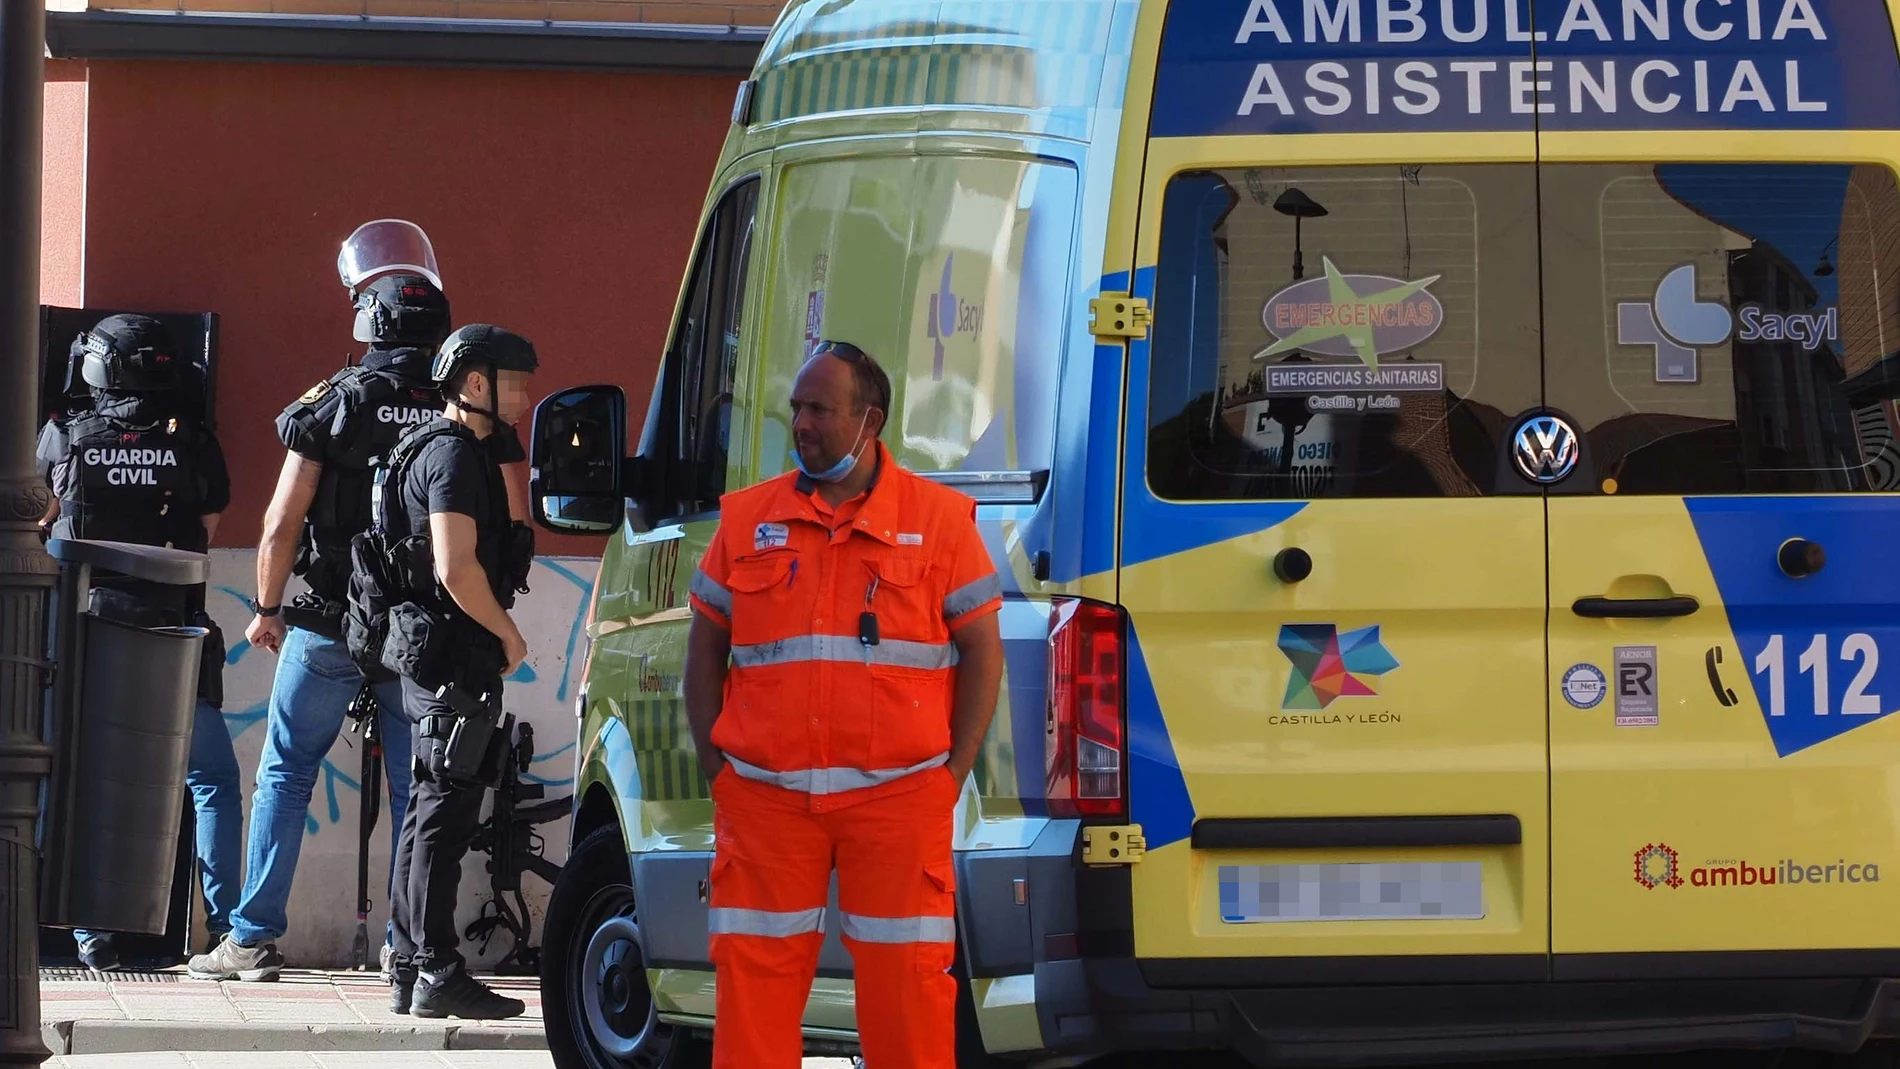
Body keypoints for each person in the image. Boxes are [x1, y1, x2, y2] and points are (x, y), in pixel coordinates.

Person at [191, 220, 527, 981]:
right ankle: (404, 945)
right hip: (426, 635)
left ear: (366, 320)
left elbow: (282, 521)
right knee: (420, 785)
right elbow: (515, 523)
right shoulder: (467, 411)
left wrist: (268, 606)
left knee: (286, 771)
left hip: (331, 620)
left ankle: (250, 939)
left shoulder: (337, 400)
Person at [683, 340, 1006, 1069]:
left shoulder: (942, 521)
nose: (800, 422)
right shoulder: (746, 520)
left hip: (899, 800)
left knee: (909, 1001)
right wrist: (720, 770)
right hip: (765, 802)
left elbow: (984, 652)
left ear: (870, 420)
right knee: (752, 1005)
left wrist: (948, 777)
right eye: (796, 406)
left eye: (819, 408)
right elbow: (704, 651)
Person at [35, 315, 242, 973]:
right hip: (173, 632)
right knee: (211, 781)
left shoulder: (64, 434)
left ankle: (93, 936)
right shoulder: (194, 442)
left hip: (86, 633)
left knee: (93, 778)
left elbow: (36, 515)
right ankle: (232, 928)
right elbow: (207, 525)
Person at [378, 323, 538, 1019]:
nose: (526, 396)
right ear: (476, 382)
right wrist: (507, 633)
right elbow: (454, 565)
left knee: (427, 805)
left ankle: (414, 966)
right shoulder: (449, 457)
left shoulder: (430, 447)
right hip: (456, 652)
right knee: (444, 810)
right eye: (515, 382)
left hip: (433, 653)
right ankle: (436, 966)